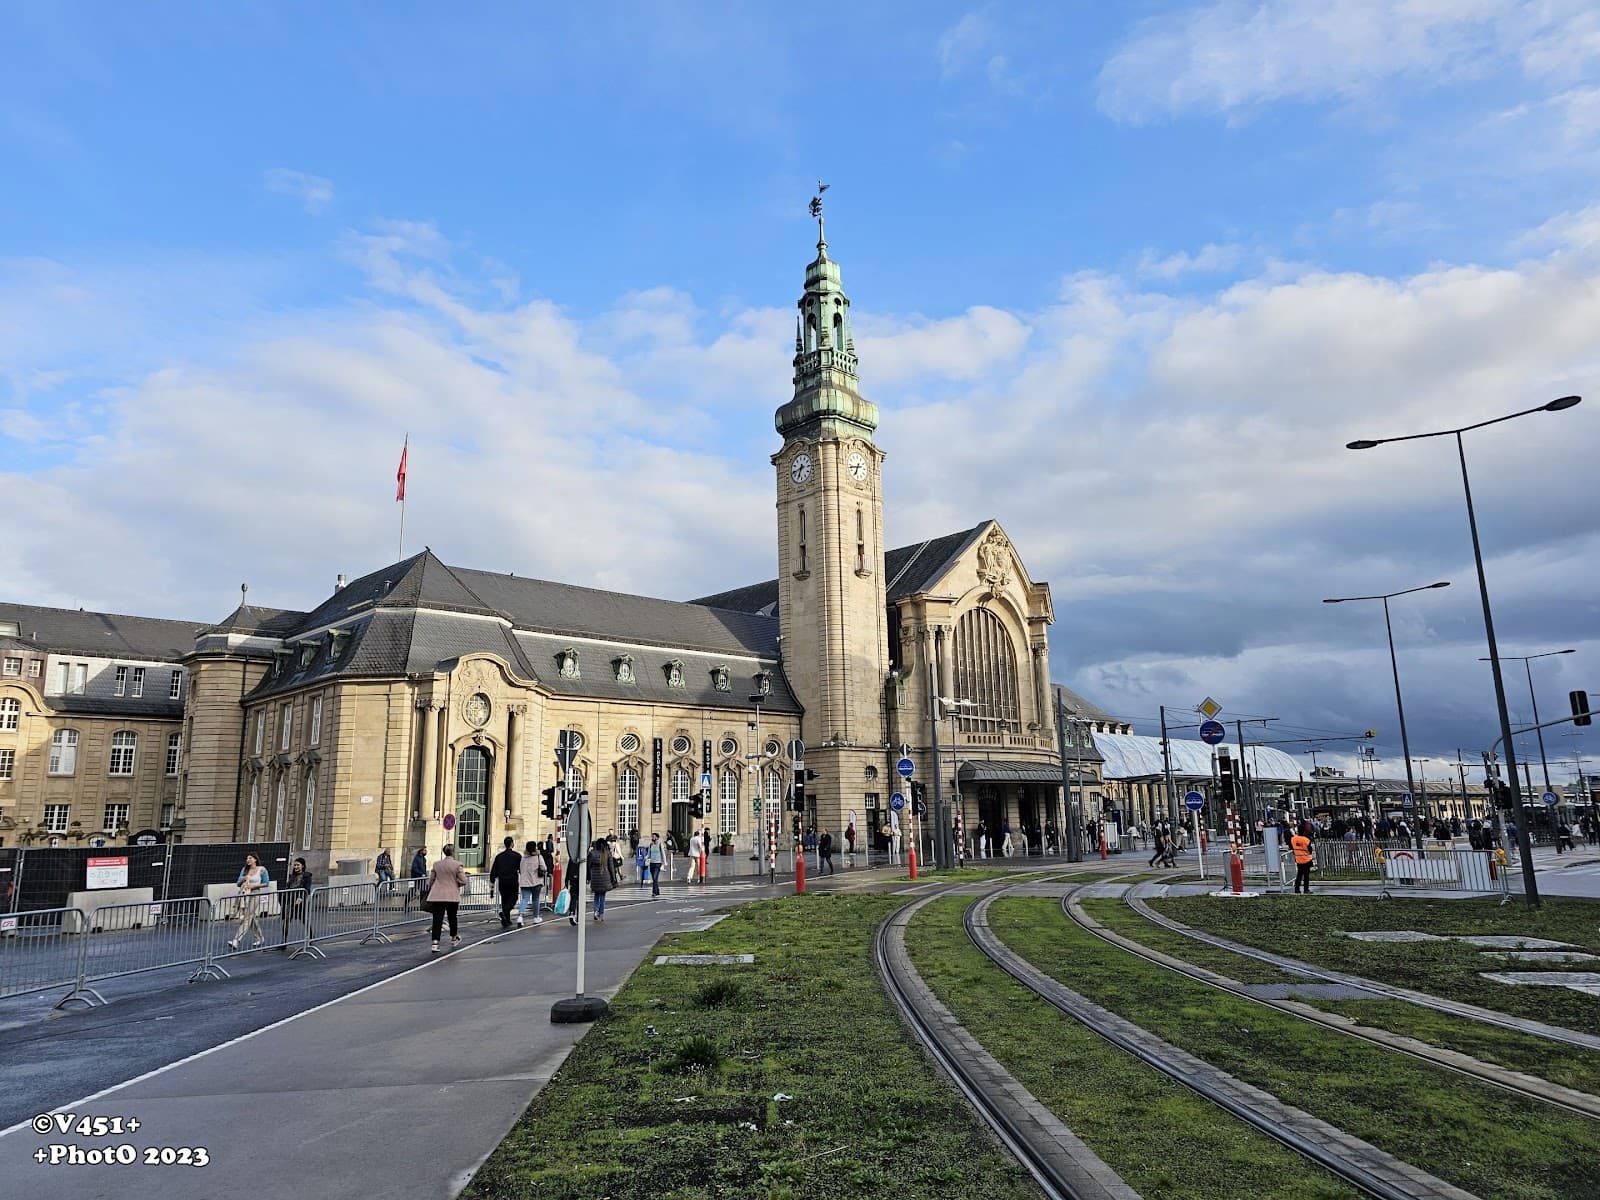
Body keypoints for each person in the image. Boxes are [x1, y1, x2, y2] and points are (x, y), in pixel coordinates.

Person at [427, 844, 468, 952]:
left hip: (438, 895)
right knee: (452, 917)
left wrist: (433, 888)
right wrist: (456, 884)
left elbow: (431, 880)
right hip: (451, 895)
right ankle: (454, 938)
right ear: (453, 852)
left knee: (437, 919)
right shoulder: (457, 865)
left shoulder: (436, 864)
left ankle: (435, 943)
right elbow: (464, 880)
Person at [227, 853, 270, 951]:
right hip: (245, 894)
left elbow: (266, 883)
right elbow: (238, 883)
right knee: (251, 917)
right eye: (247, 858)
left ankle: (236, 939)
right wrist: (244, 878)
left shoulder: (262, 869)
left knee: (247, 917)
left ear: (255, 859)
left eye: (250, 858)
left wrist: (254, 886)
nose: (248, 860)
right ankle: (260, 938)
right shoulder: (244, 870)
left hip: (255, 894)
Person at [489, 836, 522, 929]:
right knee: (513, 898)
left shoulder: (499, 857)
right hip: (512, 881)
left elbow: (494, 870)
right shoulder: (517, 856)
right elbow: (521, 869)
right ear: (512, 844)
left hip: (502, 881)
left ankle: (506, 920)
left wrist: (492, 881)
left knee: (504, 900)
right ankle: (505, 913)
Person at [280, 857, 314, 946]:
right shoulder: (292, 876)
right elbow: (288, 887)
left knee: (304, 920)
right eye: (295, 865)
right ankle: (283, 942)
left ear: (302, 866)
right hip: (290, 901)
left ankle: (310, 938)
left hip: (300, 901)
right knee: (286, 921)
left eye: (298, 865)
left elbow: (307, 889)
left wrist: (301, 898)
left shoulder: (306, 876)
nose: (296, 867)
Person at [517, 839, 546, 924]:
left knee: (524, 899)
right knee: (535, 899)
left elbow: (521, 869)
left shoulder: (523, 858)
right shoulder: (538, 857)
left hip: (524, 882)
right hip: (536, 881)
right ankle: (536, 917)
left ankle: (520, 917)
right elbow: (544, 867)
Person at [1291, 824, 1314, 894]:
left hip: (1298, 859)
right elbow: (1310, 850)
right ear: (1304, 831)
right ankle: (1306, 890)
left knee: (1299, 875)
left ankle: (1297, 889)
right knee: (1306, 876)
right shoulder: (1306, 840)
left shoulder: (1293, 839)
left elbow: (1292, 847)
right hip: (1306, 860)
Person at [405, 847, 428, 912]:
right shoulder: (417, 858)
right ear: (421, 851)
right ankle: (406, 904)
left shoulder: (424, 859)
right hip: (416, 878)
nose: (426, 852)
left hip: (422, 879)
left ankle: (422, 906)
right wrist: (421, 873)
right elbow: (414, 868)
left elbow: (424, 868)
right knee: (412, 892)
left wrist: (425, 874)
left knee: (423, 892)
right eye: (424, 850)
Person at [646, 831, 666, 898]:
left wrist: (664, 863)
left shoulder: (660, 844)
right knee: (654, 879)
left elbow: (663, 854)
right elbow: (649, 854)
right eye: (652, 837)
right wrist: (645, 858)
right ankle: (657, 891)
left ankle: (654, 892)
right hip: (652, 863)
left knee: (655, 877)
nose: (652, 838)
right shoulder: (651, 845)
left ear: (657, 837)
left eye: (654, 837)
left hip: (658, 863)